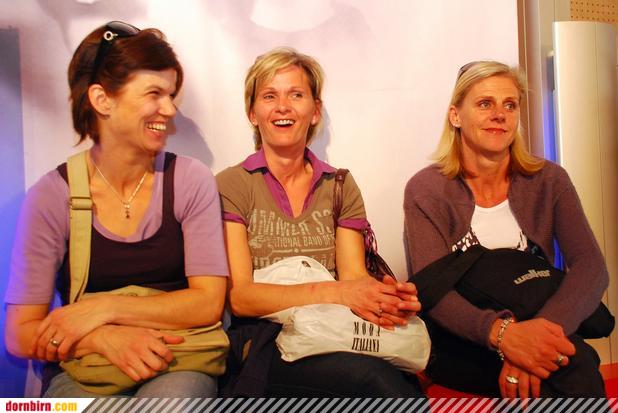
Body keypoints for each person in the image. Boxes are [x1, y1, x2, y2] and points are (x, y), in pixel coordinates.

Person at [4, 21, 229, 397]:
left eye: (171, 94)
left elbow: (208, 302)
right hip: (84, 368)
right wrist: (102, 339)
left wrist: (104, 308)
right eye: (154, 93)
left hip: (177, 358)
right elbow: (19, 333)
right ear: (102, 99)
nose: (169, 109)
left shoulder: (190, 179)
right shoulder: (51, 195)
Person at [216, 46, 424, 397]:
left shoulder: (339, 185)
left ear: (315, 111)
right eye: (269, 96)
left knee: (402, 383)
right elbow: (241, 298)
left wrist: (388, 300)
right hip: (266, 341)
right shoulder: (232, 184)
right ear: (252, 113)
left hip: (332, 331)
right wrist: (337, 292)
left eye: (296, 95)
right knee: (375, 382)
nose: (283, 107)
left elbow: (353, 276)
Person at [404, 60, 609, 398]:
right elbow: (433, 293)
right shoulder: (426, 189)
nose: (499, 114)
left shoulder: (549, 179)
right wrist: (505, 336)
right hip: (461, 339)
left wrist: (536, 337)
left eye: (510, 105)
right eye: (485, 103)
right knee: (575, 366)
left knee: (572, 363)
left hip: (540, 321)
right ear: (456, 116)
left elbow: (592, 268)